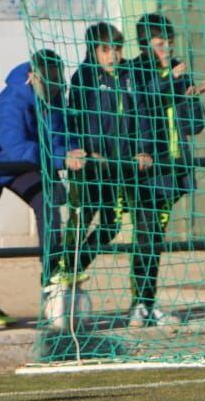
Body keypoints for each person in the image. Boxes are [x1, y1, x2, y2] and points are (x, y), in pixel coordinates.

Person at [0, 50, 65, 326]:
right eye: (49, 81)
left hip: (16, 164)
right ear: (33, 76)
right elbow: (17, 148)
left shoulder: (52, 97)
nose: (55, 87)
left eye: (58, 81)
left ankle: (52, 274)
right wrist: (62, 159)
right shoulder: (14, 100)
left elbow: (58, 135)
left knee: (48, 200)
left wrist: (72, 152)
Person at [120, 14, 205, 326]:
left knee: (155, 237)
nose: (167, 49)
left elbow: (195, 125)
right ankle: (138, 305)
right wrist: (171, 82)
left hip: (171, 169)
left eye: (169, 43)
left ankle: (147, 301)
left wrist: (190, 98)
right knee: (143, 234)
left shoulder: (178, 69)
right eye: (160, 44)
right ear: (145, 44)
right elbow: (142, 104)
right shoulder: (133, 70)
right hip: (143, 169)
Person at [51, 23, 141, 292]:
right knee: (81, 219)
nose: (113, 55)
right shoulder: (84, 78)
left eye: (117, 49)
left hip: (118, 166)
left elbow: (138, 116)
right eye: (106, 50)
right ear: (93, 51)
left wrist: (136, 150)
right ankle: (60, 271)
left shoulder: (128, 75)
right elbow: (80, 121)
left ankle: (74, 267)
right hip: (90, 166)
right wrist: (91, 150)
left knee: (111, 226)